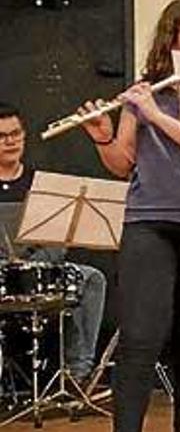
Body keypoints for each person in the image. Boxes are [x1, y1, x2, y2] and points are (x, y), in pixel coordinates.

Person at [79, 0, 180, 432]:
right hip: (149, 221)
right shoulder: (146, 89)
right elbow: (122, 162)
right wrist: (104, 136)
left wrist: (154, 114)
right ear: (172, 43)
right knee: (139, 337)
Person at [0, 103, 107, 388]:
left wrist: (38, 261)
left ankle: (77, 374)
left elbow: (59, 238)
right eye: (2, 136)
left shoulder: (40, 183)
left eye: (16, 134)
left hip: (40, 270)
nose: (10, 141)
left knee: (91, 279)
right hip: (2, 275)